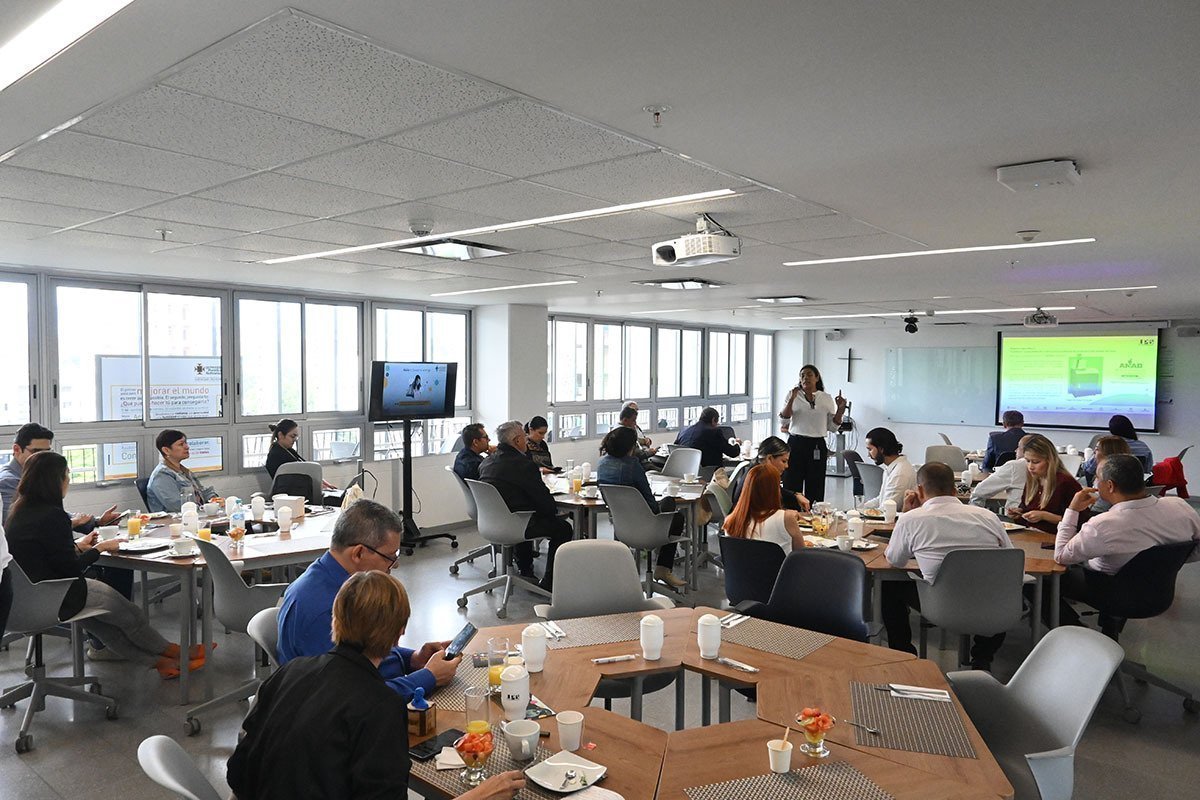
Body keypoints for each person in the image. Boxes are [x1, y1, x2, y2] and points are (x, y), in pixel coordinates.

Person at [229, 570, 525, 800]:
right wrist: (478, 796)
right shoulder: (379, 707)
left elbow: (237, 772)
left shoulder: (289, 672)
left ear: (335, 619)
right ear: (400, 632)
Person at [5, 451, 200, 678]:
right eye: (67, 475)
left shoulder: (18, 512)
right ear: (56, 481)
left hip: (22, 601)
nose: (68, 481)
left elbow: (44, 556)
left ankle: (162, 663)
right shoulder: (52, 516)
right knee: (130, 616)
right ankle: (176, 653)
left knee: (105, 628)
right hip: (58, 594)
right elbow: (71, 570)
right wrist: (100, 548)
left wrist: (80, 547)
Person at [276, 500, 460, 700]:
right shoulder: (323, 611)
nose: (395, 565)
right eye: (390, 557)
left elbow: (366, 652)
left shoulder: (338, 583)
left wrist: (413, 659)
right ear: (358, 553)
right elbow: (352, 697)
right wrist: (428, 677)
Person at [882, 462, 1014, 669]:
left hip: (941, 605)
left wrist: (906, 514)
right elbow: (1009, 558)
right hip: (992, 604)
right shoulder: (988, 517)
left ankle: (904, 654)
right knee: (996, 586)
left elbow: (894, 560)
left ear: (920, 490)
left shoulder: (911, 520)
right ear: (954, 490)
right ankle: (982, 658)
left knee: (890, 586)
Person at [1054, 454, 1200, 626]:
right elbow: (1196, 550)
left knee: (1043, 582)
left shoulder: (1103, 524)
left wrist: (1072, 510)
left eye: (1097, 478)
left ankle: (1074, 629)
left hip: (1107, 591)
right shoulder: (1180, 506)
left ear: (1110, 486)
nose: (1095, 482)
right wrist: (1166, 564)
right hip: (1160, 595)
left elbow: (1061, 556)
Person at [479, 421, 574, 590]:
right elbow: (544, 502)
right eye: (524, 437)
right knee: (563, 528)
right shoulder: (524, 465)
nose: (527, 441)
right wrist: (555, 510)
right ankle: (550, 582)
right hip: (516, 524)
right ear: (517, 441)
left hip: (491, 524)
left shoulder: (486, 463)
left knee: (524, 512)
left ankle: (525, 568)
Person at [597, 426, 687, 588]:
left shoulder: (602, 464)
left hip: (621, 527)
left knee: (667, 504)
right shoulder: (633, 465)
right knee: (674, 511)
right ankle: (663, 568)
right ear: (630, 447)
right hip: (647, 528)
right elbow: (651, 504)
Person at [0, 423, 121, 531]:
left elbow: (52, 513)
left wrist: (97, 521)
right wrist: (73, 523)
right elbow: (21, 525)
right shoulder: (8, 481)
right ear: (17, 449)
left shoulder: (37, 475)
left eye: (48, 452)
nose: (44, 458)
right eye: (37, 452)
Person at [778, 364, 846, 503]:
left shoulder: (825, 398)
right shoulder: (793, 395)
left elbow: (832, 427)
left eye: (809, 374)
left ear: (817, 378)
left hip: (817, 445)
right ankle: (792, 512)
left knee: (816, 485)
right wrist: (791, 399)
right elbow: (784, 420)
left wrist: (840, 410)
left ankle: (814, 513)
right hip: (796, 443)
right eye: (802, 375)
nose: (805, 378)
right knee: (791, 482)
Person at [722, 463, 807, 554]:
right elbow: (801, 554)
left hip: (742, 563)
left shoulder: (730, 521)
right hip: (778, 563)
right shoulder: (786, 518)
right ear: (774, 490)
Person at [1008, 434, 1081, 534]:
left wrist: (1045, 516)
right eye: (1027, 461)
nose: (1030, 467)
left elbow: (1079, 521)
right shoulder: (1033, 480)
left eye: (1035, 462)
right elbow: (1026, 509)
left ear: (1050, 461)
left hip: (1054, 537)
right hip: (1031, 534)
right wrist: (1019, 513)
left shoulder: (1066, 483)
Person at [729, 436, 810, 511]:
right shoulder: (760, 477)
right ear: (769, 458)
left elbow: (778, 490)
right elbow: (769, 512)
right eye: (783, 461)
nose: (786, 466)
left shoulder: (756, 469)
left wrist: (795, 495)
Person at [146, 429, 218, 513]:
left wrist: (214, 500)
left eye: (185, 443)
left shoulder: (183, 471)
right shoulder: (161, 475)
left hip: (196, 514)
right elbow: (177, 506)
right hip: (177, 519)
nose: (187, 447)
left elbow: (202, 491)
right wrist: (205, 508)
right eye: (181, 444)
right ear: (166, 450)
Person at [970, 434, 1033, 508]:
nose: (1015, 450)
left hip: (1015, 514)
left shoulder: (1015, 466)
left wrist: (977, 511)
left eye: (1018, 447)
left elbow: (979, 491)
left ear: (1027, 451)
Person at [860, 428, 916, 510]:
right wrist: (861, 508)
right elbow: (881, 499)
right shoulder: (891, 467)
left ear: (881, 449)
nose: (868, 455)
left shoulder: (899, 473)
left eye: (870, 449)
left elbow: (887, 509)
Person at [1084, 414, 1153, 476]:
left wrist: (1086, 460)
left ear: (1112, 430)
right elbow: (1148, 470)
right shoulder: (1143, 447)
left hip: (1108, 482)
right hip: (1136, 483)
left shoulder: (1107, 446)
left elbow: (1090, 469)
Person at [675, 407, 741, 468]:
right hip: (707, 471)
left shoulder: (683, 431)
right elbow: (733, 453)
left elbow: (674, 448)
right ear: (713, 419)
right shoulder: (714, 432)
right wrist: (737, 443)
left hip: (684, 470)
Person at [1082, 436, 1132, 513]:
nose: (1094, 452)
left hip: (1097, 513)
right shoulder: (1127, 472)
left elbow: (1100, 506)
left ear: (1107, 453)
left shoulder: (1106, 475)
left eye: (1097, 449)